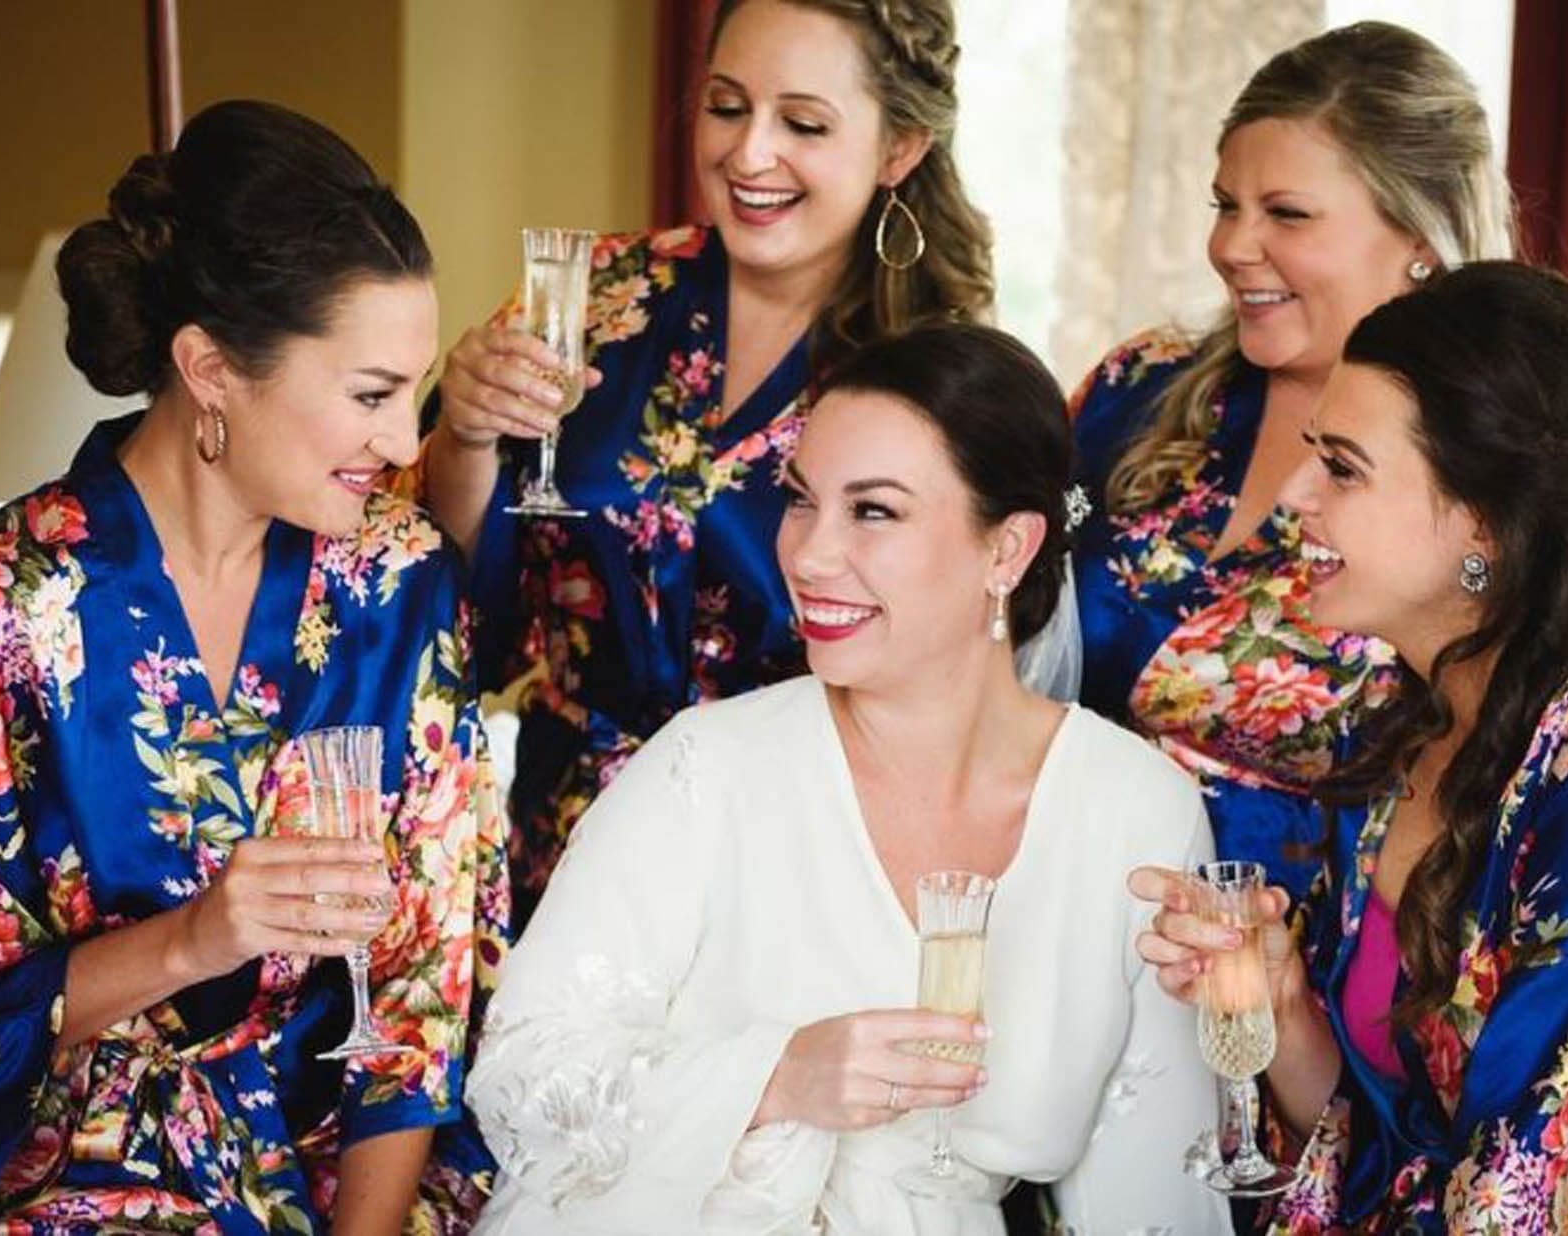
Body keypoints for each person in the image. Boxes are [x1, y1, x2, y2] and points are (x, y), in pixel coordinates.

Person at [463, 324, 1228, 1234]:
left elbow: (1156, 1196)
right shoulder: (704, 767)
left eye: (873, 511)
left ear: (1007, 550)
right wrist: (778, 1077)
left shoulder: (1135, 811)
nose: (810, 555)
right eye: (799, 501)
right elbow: (518, 1078)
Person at [0, 101, 508, 1234]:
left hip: (343, 1170)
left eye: (414, 390)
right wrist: (196, 940)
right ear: (208, 368)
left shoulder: (398, 582)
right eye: (370, 394)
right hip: (69, 1177)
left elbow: (422, 990)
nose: (407, 445)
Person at [1134, 262, 1568, 1232]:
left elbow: (1547, 1176)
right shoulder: (1408, 715)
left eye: (1341, 466)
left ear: (1486, 521)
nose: (1293, 495)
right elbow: (1385, 1147)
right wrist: (1285, 1006)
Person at [415, 0, 995, 921]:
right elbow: (452, 592)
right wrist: (466, 436)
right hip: (567, 840)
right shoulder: (599, 294)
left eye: (802, 123)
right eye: (727, 107)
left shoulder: (938, 372)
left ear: (900, 149)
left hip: (797, 856)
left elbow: (959, 670)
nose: (749, 153)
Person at [1069, 22, 1512, 896]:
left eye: (1286, 214)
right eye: (1225, 205)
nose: (1233, 246)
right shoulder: (1138, 389)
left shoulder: (1488, 465)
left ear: (1420, 237)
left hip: (1304, 977)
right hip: (1065, 909)